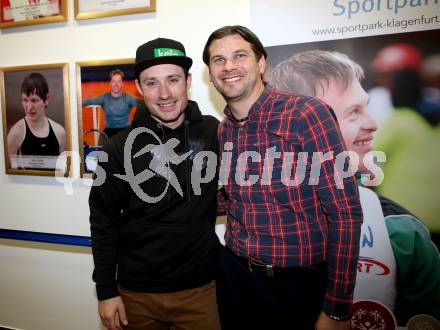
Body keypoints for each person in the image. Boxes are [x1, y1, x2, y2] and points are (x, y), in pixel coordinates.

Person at [203, 25, 363, 330]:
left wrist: (339, 306)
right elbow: (238, 197)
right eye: (218, 60)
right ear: (210, 73)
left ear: (261, 63)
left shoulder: (306, 114)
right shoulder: (224, 130)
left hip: (297, 286)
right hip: (235, 278)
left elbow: (345, 212)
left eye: (239, 55)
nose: (229, 67)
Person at [270, 49, 440, 326]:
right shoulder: (246, 229)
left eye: (366, 107)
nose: (373, 124)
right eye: (353, 113)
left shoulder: (401, 233)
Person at [89, 38, 221, 330]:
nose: (164, 93)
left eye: (173, 80)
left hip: (200, 291)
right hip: (136, 295)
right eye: (152, 83)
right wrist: (106, 291)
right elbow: (103, 222)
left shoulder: (214, 132)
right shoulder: (116, 148)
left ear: (188, 81)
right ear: (138, 87)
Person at [7, 72, 66, 166]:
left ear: (46, 99)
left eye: (34, 100)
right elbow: (8, 173)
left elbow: (64, 171)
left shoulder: (60, 132)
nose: (29, 107)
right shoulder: (16, 132)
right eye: (25, 100)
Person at [82, 69, 138, 139]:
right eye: (114, 81)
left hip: (125, 130)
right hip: (109, 131)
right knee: (101, 145)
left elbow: (143, 104)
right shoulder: (104, 97)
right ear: (110, 83)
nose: (116, 84)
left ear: (122, 83)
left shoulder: (128, 97)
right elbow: (89, 101)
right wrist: (74, 103)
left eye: (119, 81)